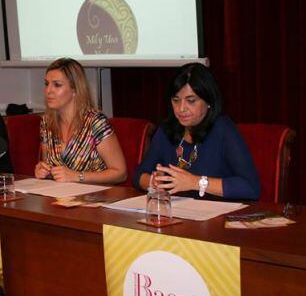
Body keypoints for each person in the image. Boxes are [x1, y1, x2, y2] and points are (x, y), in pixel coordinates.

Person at [132, 63, 260, 200]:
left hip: (215, 216)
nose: (181, 108)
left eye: (191, 101)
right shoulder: (167, 129)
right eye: (176, 100)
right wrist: (153, 182)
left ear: (209, 101)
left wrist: (195, 182)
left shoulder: (223, 129)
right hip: (177, 214)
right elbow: (138, 175)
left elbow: (250, 188)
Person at [34, 58, 127, 184]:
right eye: (46, 84)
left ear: (74, 89)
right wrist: (42, 170)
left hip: (95, 197)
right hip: (61, 197)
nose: (48, 90)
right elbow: (49, 167)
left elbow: (120, 173)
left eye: (57, 85)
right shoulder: (47, 122)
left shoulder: (95, 122)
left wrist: (78, 176)